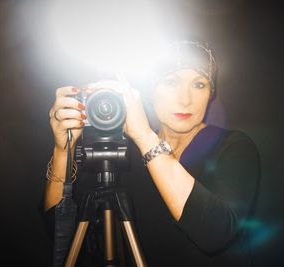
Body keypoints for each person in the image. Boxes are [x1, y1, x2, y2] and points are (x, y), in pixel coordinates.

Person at [43, 40, 261, 267]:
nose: (185, 99)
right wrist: (62, 151)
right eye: (170, 82)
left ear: (210, 94)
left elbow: (215, 233)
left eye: (199, 85)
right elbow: (61, 234)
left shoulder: (232, 147)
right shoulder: (124, 155)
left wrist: (145, 137)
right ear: (149, 92)